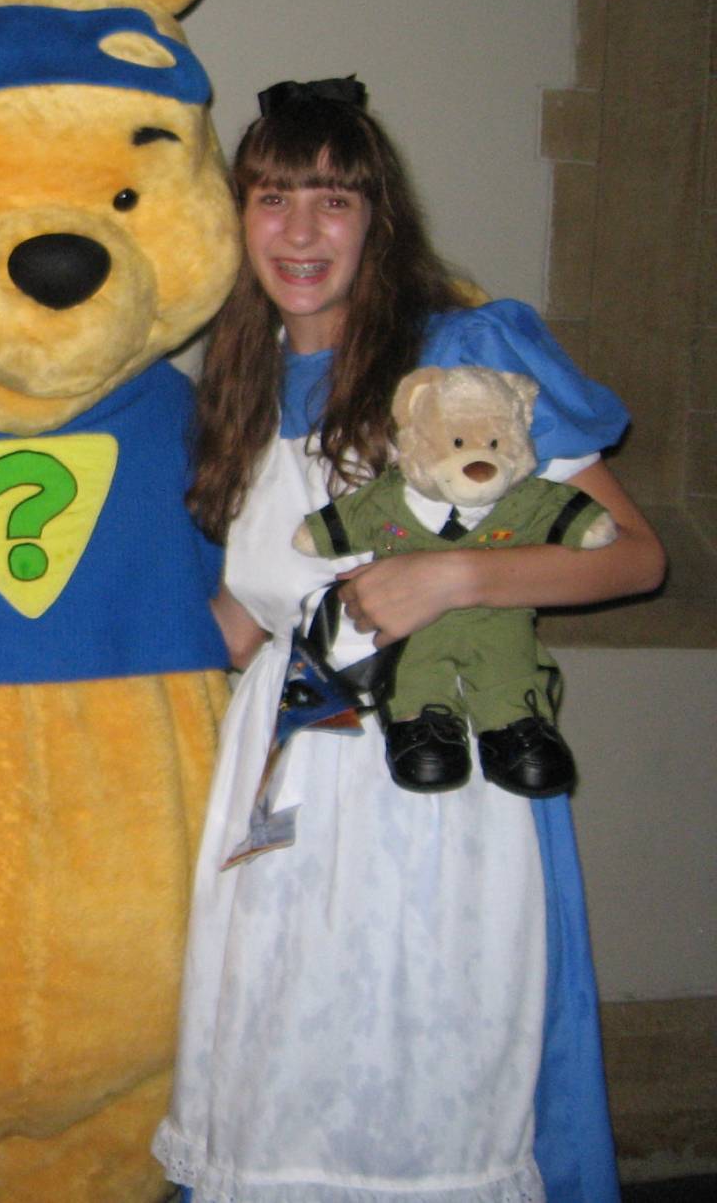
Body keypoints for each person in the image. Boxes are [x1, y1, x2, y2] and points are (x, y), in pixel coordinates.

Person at [153, 77, 664, 1203]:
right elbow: (249, 616)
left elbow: (632, 557)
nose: (297, 231)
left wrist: (451, 576)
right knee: (281, 1073)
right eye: (271, 198)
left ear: (375, 221)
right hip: (284, 786)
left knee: (428, 1071)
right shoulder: (233, 386)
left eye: (331, 201)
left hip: (437, 792)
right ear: (232, 218)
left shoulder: (463, 355)